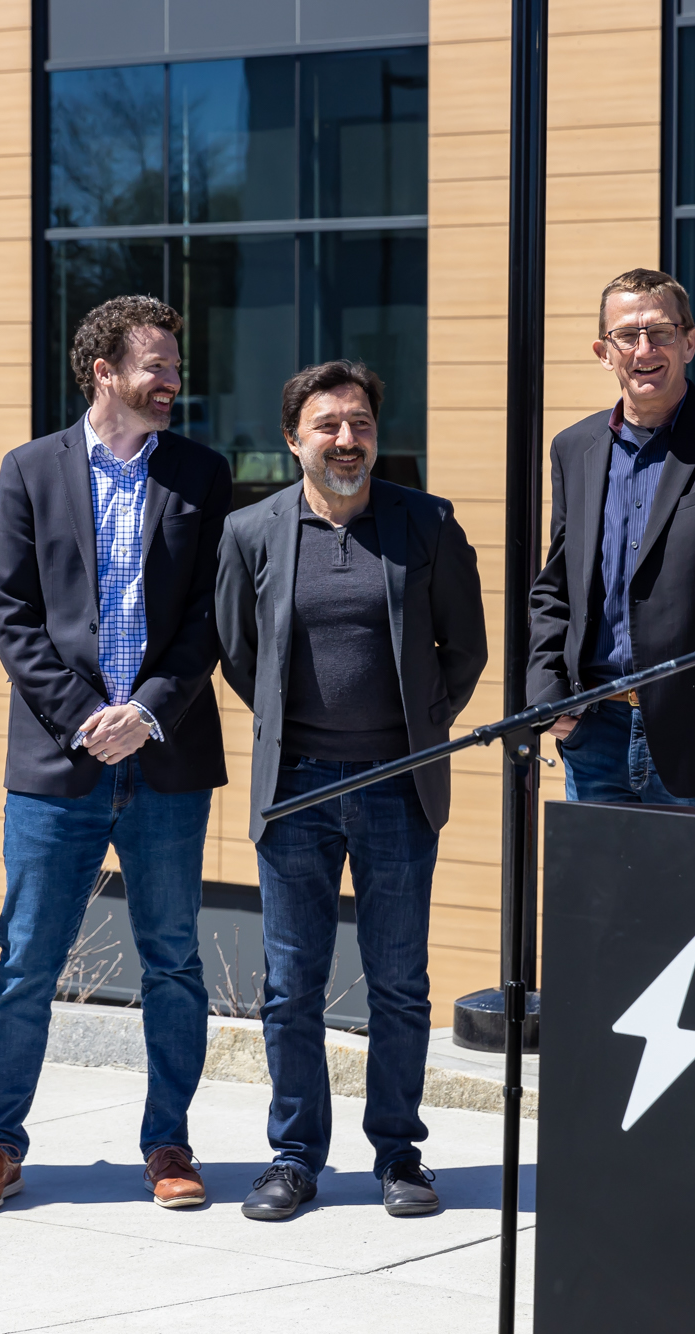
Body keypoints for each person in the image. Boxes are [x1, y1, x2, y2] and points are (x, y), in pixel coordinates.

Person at [0, 295, 232, 1212]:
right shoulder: (30, 470)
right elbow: (12, 615)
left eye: (174, 363)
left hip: (166, 757)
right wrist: (87, 717)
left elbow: (209, 620)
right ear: (102, 372)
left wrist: (147, 711)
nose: (172, 380)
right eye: (155, 364)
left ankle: (169, 1143)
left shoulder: (203, 473)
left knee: (173, 960)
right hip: (57, 763)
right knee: (27, 959)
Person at [217, 360, 487, 1222]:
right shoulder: (252, 531)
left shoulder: (427, 525)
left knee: (398, 982)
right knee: (292, 984)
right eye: (328, 424)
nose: (347, 439)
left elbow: (467, 649)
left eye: (361, 423)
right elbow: (236, 651)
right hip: (292, 789)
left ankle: (399, 1154)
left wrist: (414, 730)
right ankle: (294, 1157)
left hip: (397, 789)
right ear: (293, 439)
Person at [526, 268, 695, 815]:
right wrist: (547, 697)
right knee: (599, 904)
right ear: (605, 352)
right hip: (595, 734)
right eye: (627, 335)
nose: (644, 349)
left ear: (690, 342)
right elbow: (557, 586)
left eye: (661, 332)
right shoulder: (572, 448)